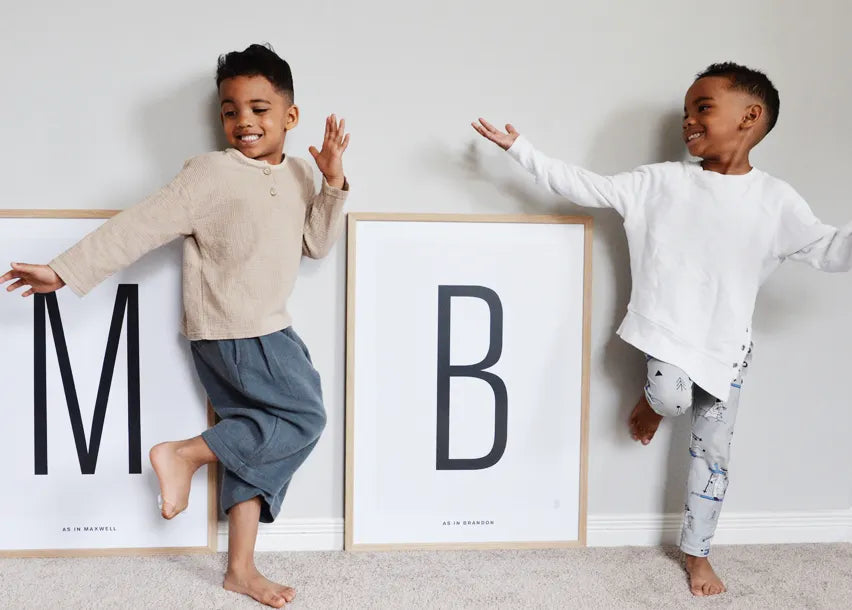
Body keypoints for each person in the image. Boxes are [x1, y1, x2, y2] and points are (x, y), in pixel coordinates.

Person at [472, 62, 852, 597]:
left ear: (750, 116)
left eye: (702, 108)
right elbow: (587, 186)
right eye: (685, 112)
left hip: (728, 349)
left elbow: (831, 248)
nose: (688, 121)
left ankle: (697, 553)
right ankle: (652, 403)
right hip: (669, 335)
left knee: (712, 456)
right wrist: (523, 151)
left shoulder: (776, 201)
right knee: (672, 397)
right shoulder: (660, 182)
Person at [1, 43, 350, 608]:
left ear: (290, 116)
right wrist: (63, 271)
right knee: (305, 414)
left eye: (259, 109)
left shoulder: (302, 175)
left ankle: (239, 569)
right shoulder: (209, 174)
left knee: (253, 437)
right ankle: (183, 454)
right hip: (234, 330)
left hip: (269, 328)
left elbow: (316, 244)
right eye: (231, 110)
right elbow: (139, 226)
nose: (244, 122)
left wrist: (332, 182)